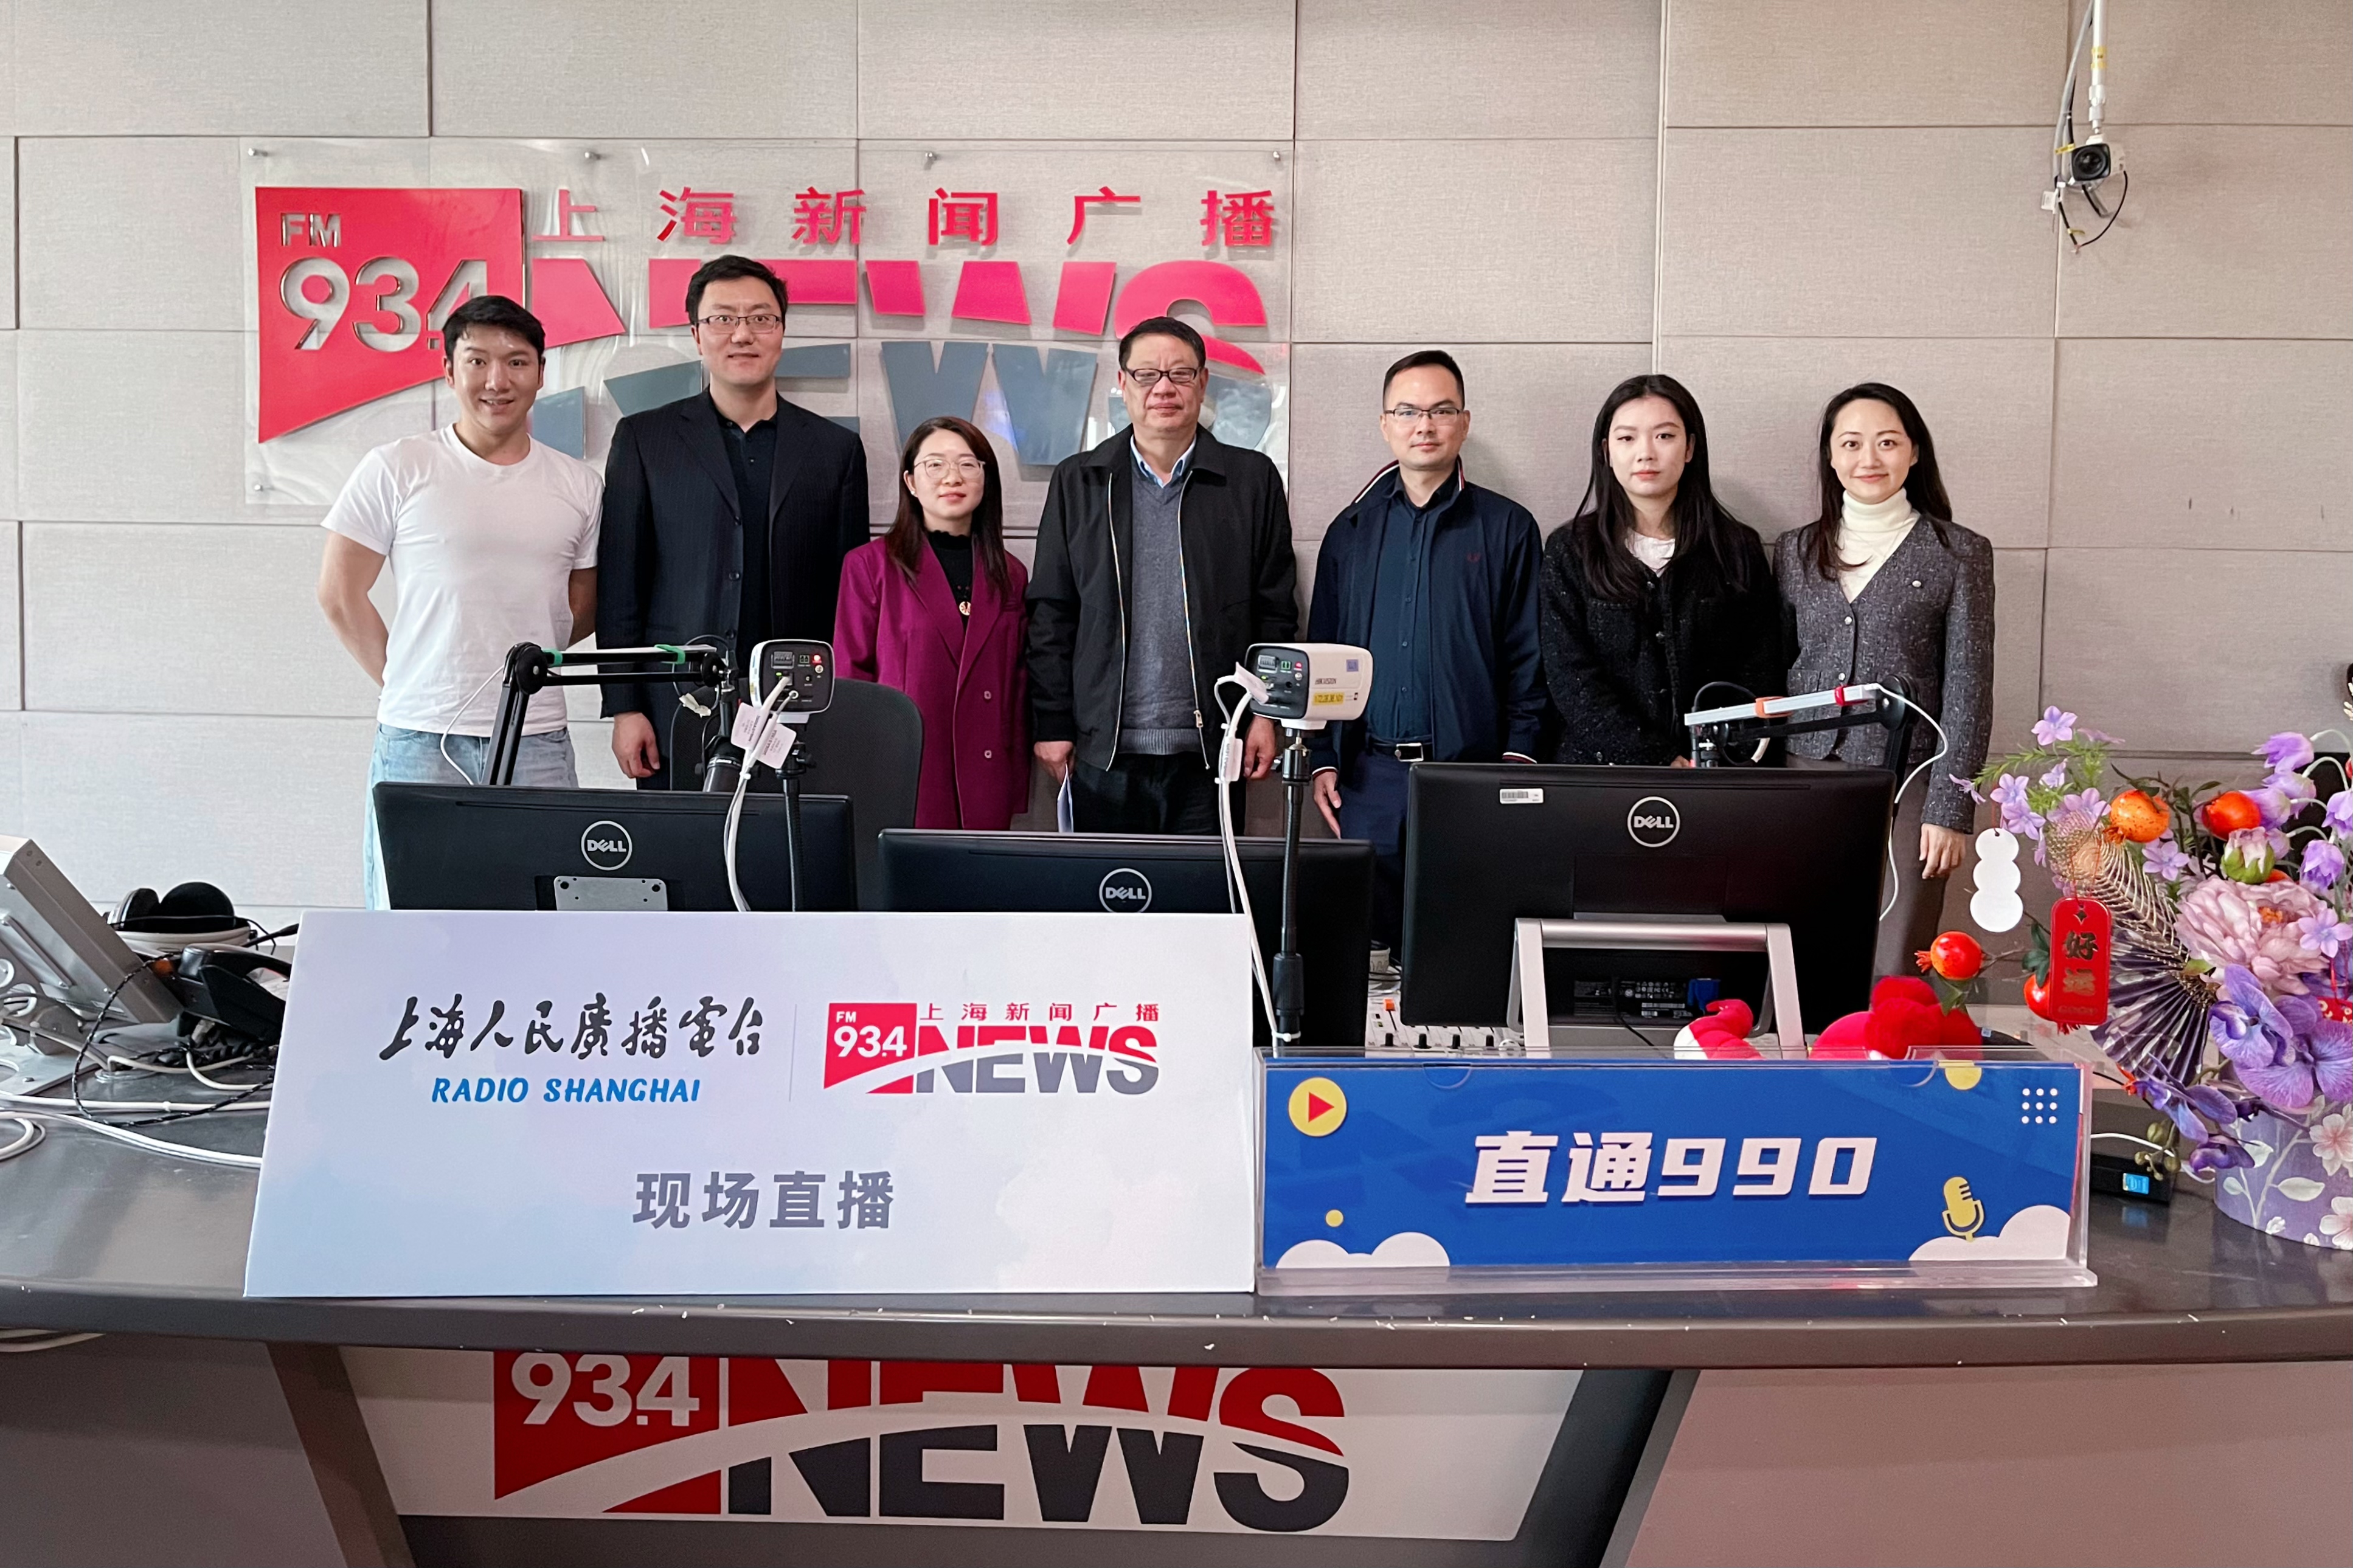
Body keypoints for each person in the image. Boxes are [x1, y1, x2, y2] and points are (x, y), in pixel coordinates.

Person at [316, 295, 602, 908]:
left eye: (516, 362)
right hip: (419, 738)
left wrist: (521, 661)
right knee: (409, 919)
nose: (497, 380)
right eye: (477, 361)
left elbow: (582, 604)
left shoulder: (579, 484)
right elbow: (339, 593)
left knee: (544, 917)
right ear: (449, 371)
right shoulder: (398, 467)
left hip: (537, 737)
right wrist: (406, 678)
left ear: (541, 373)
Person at [597, 254, 869, 789]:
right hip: (675, 707)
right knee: (682, 841)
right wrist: (625, 706)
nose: (742, 334)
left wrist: (839, 706)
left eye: (760, 318)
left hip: (795, 710)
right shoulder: (645, 439)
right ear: (696, 335)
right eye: (723, 318)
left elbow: (848, 598)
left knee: (788, 840)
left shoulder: (835, 450)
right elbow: (621, 583)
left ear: (781, 332)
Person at [1305, 350, 1545, 952]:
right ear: (1385, 423)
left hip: (1471, 775)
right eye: (1408, 411)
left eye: (1440, 410)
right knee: (1369, 951)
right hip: (1369, 777)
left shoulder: (1507, 527)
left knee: (1465, 946)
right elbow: (1323, 651)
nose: (1425, 425)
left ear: (1463, 422)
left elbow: (1530, 655)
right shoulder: (1350, 530)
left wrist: (1518, 758)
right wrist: (1323, 758)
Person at [1027, 315, 1297, 834]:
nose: (1164, 388)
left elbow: (1275, 611)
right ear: (1123, 383)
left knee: (1205, 886)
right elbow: (1052, 613)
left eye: (1180, 373)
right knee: (1110, 886)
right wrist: (1052, 721)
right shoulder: (1080, 481)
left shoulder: (1249, 481)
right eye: (1147, 374)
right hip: (1103, 750)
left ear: (1203, 383)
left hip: (1214, 748)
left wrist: (1266, 715)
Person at [1778, 382, 1992, 977]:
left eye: (1887, 442)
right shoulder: (1794, 550)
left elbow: (1969, 687)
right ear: (1830, 456)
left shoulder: (1958, 553)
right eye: (1850, 443)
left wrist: (1950, 807)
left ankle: (1889, 1042)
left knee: (1897, 952)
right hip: (1804, 770)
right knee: (1801, 946)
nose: (1868, 458)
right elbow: (1776, 664)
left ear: (1914, 451)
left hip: (1913, 775)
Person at [1538, 373, 1781, 766]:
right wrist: (1654, 757)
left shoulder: (1737, 549)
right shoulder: (1571, 550)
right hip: (1601, 776)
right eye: (1627, 438)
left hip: (1714, 777)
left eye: (1664, 436)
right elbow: (1570, 677)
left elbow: (1760, 670)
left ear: (1690, 448)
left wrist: (1717, 758)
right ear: (1606, 451)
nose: (1645, 453)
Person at [835, 417, 1030, 830]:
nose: (952, 477)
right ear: (910, 481)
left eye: (967, 464)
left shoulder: (1010, 574)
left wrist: (1014, 784)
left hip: (986, 774)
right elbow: (851, 681)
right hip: (907, 772)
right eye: (935, 465)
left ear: (986, 479)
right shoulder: (870, 566)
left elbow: (1016, 687)